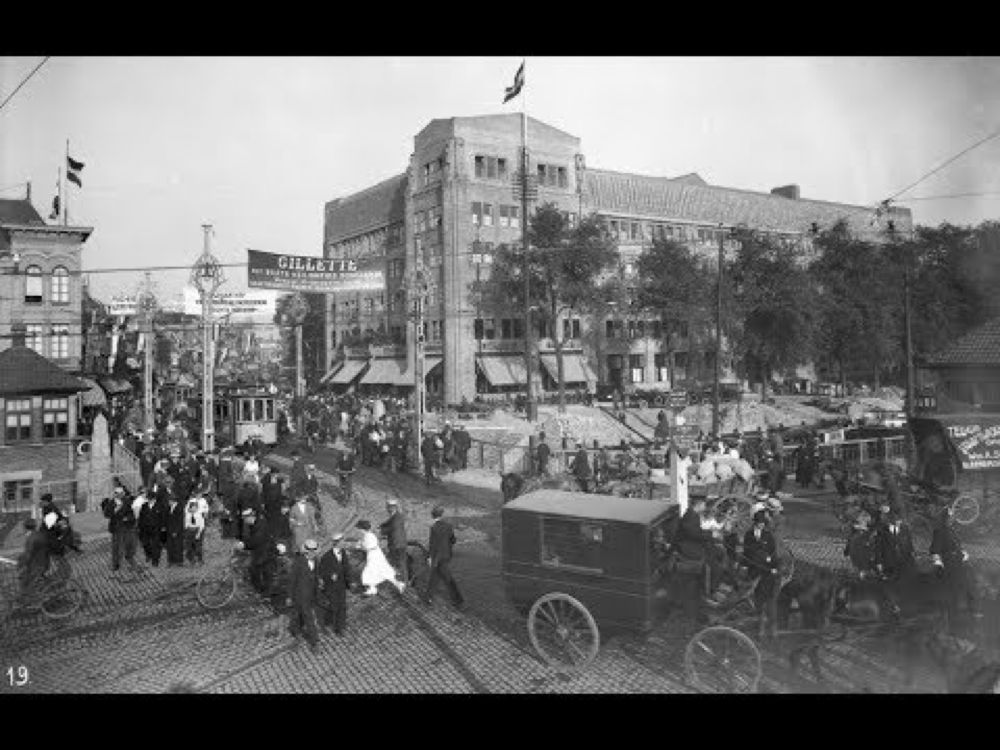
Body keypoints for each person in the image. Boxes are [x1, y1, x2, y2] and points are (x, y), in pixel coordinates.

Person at [929, 505, 980, 618]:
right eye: (949, 517)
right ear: (944, 518)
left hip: (959, 560)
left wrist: (963, 552)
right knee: (955, 587)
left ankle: (972, 609)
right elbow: (934, 549)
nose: (951, 519)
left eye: (952, 517)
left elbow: (957, 545)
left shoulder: (952, 530)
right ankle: (954, 613)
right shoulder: (939, 531)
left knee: (969, 582)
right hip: (949, 562)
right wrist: (938, 562)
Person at [675, 496, 726, 600]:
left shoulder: (693, 515)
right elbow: (694, 534)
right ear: (698, 505)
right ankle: (710, 591)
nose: (705, 506)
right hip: (689, 548)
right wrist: (712, 534)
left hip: (695, 543)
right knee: (715, 566)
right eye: (703, 504)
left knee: (721, 552)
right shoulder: (690, 516)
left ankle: (718, 582)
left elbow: (697, 532)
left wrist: (712, 535)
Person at [742, 510, 779, 637]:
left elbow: (773, 553)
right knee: (758, 600)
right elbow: (746, 552)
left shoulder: (768, 536)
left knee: (770, 601)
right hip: (754, 569)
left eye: (763, 523)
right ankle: (760, 627)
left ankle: (772, 628)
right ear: (755, 523)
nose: (761, 525)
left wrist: (772, 565)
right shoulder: (748, 535)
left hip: (767, 571)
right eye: (759, 523)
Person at [421, 505, 463, 608]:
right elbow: (453, 540)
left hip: (437, 558)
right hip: (446, 555)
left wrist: (430, 557)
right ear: (442, 514)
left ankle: (458, 600)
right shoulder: (448, 526)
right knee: (436, 577)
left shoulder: (433, 528)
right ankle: (428, 597)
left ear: (432, 515)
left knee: (445, 578)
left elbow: (433, 545)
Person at [287, 538, 321, 652]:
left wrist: (317, 593)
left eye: (314, 551)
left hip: (310, 595)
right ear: (305, 551)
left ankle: (296, 633)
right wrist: (290, 596)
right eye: (309, 551)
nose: (311, 553)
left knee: (299, 616)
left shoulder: (316, 561)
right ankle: (314, 642)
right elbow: (292, 581)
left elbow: (315, 577)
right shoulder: (298, 563)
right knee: (308, 618)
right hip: (299, 595)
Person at [355, 520, 405, 595]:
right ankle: (398, 584)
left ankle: (373, 588)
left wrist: (360, 546)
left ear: (362, 529)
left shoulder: (369, 536)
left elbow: (370, 547)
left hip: (374, 556)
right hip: (376, 554)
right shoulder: (368, 535)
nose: (359, 531)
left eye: (359, 529)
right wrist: (361, 544)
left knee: (369, 571)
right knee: (382, 571)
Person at [316, 533, 351, 636]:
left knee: (342, 605)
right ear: (336, 543)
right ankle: (329, 624)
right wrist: (330, 575)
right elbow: (321, 572)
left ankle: (340, 627)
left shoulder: (343, 553)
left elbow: (346, 568)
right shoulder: (326, 557)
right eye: (342, 541)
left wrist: (350, 581)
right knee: (334, 606)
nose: (344, 543)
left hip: (341, 585)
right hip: (331, 587)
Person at [102, 488, 139, 573]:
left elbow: (133, 513)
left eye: (120, 493)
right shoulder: (111, 503)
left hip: (127, 527)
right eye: (117, 493)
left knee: (130, 545)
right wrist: (116, 510)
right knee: (116, 547)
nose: (119, 495)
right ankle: (116, 564)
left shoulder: (127, 501)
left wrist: (128, 518)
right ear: (114, 494)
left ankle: (129, 559)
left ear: (123, 494)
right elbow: (106, 514)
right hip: (116, 528)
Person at [242, 508, 277, 596]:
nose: (244, 520)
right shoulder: (253, 524)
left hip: (267, 551)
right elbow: (249, 538)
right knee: (254, 569)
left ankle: (266, 592)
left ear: (251, 517)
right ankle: (260, 589)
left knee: (264, 571)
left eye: (245, 518)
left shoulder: (260, 524)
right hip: (260, 551)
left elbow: (256, 540)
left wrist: (244, 545)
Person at [379, 498, 409, 585]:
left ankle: (404, 584)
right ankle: (398, 582)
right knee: (396, 563)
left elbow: (393, 527)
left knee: (401, 564)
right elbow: (389, 524)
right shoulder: (395, 516)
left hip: (397, 544)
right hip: (396, 544)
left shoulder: (397, 517)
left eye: (388, 507)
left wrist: (381, 531)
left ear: (393, 507)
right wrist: (381, 526)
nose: (387, 509)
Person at [138, 486, 168, 567]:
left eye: (151, 499)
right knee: (146, 543)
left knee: (156, 545)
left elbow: (164, 517)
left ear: (154, 499)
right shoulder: (144, 506)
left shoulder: (160, 506)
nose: (150, 500)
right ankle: (149, 555)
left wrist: (164, 527)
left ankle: (155, 560)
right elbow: (141, 517)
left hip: (156, 528)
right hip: (145, 528)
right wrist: (139, 527)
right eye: (148, 499)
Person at [184, 489, 211, 565]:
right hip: (190, 528)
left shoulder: (203, 501)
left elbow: (206, 510)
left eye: (200, 494)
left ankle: (200, 559)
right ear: (195, 494)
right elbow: (186, 510)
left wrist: (205, 514)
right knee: (189, 545)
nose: (199, 495)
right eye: (197, 494)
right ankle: (191, 559)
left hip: (199, 526)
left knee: (199, 544)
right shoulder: (191, 501)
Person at [165, 492, 186, 566]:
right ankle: (171, 561)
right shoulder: (168, 508)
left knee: (178, 545)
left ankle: (179, 561)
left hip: (177, 530)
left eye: (169, 501)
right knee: (170, 546)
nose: (168, 502)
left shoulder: (179, 508)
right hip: (169, 530)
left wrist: (176, 531)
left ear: (173, 501)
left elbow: (180, 521)